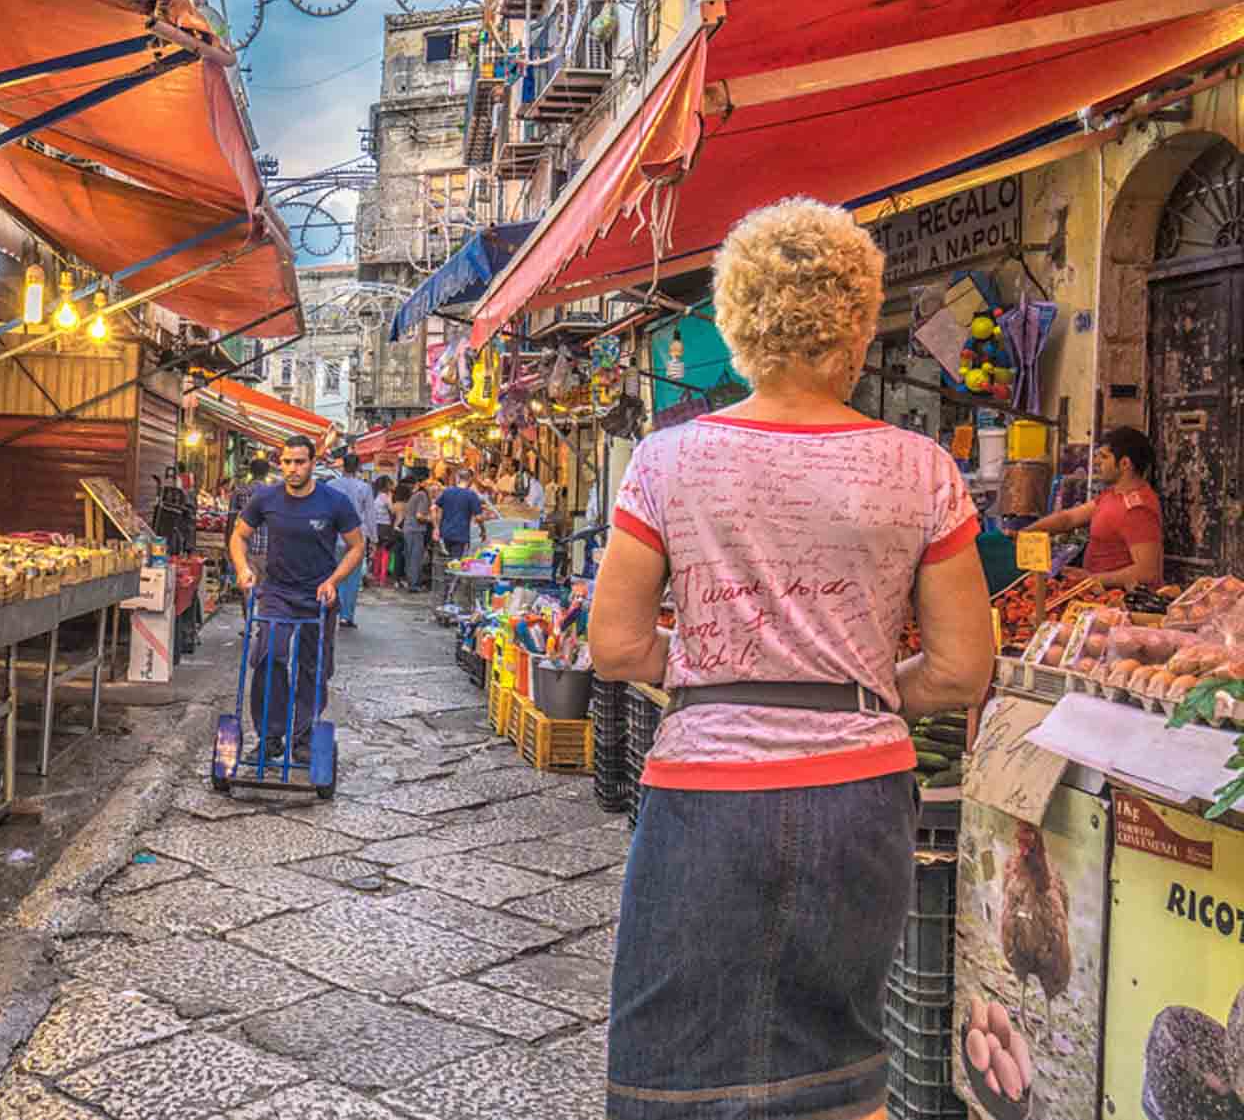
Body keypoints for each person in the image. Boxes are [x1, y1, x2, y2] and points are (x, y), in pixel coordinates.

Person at [587, 198, 993, 1120]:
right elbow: (961, 668)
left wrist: (712, 673)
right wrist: (862, 691)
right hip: (862, 794)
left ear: (736, 322)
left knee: (672, 1074)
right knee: (838, 1071)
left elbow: (614, 645)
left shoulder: (665, 461)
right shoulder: (922, 468)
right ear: (858, 324)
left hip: (707, 792)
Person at [229, 435, 365, 761]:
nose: (293, 468)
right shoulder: (266, 498)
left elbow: (357, 546)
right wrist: (243, 568)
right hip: (277, 592)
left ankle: (303, 739)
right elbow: (239, 535)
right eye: (287, 462)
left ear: (312, 464)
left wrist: (334, 581)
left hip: (319, 595)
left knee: (313, 668)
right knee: (269, 656)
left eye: (300, 462)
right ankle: (270, 737)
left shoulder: (334, 501)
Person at [1017, 426, 1163, 587]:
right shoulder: (1113, 494)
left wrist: (1091, 579)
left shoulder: (1137, 510)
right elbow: (1069, 519)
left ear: (1124, 463)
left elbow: (1148, 572)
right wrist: (1026, 533)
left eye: (1104, 457)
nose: (1096, 462)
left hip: (1115, 597)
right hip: (1093, 590)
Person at [326, 454, 376, 629]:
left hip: (334, 536)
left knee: (334, 574)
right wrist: (374, 538)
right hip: (357, 537)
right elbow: (370, 514)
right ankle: (346, 616)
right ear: (357, 468)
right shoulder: (364, 488)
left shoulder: (331, 485)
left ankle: (332, 609)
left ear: (343, 466)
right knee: (352, 577)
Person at [229, 458, 271, 595]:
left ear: (250, 472)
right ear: (267, 473)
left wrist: (228, 546)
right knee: (265, 593)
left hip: (245, 549)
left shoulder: (239, 491)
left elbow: (231, 519)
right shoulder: (273, 493)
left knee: (247, 589)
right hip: (268, 550)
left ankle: (248, 608)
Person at [433, 467, 489, 561]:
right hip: (460, 535)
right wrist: (483, 531)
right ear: (470, 479)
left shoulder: (447, 491)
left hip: (446, 534)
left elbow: (433, 508)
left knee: (449, 561)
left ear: (458, 478)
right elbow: (479, 518)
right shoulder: (471, 495)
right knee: (457, 563)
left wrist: (436, 528)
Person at [400, 472, 434, 593]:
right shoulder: (422, 495)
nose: (432, 486)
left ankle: (411, 581)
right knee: (415, 557)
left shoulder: (414, 495)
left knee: (410, 556)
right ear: (421, 484)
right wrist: (432, 519)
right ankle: (414, 584)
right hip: (416, 529)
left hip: (408, 528)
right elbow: (419, 516)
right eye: (429, 483)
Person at [370, 476, 395, 584]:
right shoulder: (385, 496)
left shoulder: (375, 496)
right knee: (385, 552)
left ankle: (376, 575)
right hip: (385, 526)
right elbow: (392, 510)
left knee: (377, 551)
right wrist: (391, 498)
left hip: (376, 525)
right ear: (386, 485)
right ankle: (382, 577)